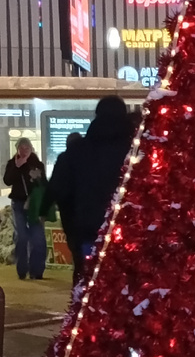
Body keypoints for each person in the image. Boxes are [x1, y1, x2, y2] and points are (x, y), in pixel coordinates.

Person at [49, 96, 134, 271]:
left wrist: (72, 228)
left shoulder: (76, 152)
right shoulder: (138, 150)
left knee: (87, 279)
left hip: (87, 229)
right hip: (130, 232)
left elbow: (59, 190)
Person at [3, 137, 47, 279]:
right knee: (21, 236)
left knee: (37, 237)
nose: (24, 150)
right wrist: (17, 166)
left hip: (34, 204)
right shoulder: (12, 163)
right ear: (17, 149)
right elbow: (7, 180)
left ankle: (37, 271)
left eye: (26, 147)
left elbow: (44, 184)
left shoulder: (37, 164)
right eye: (21, 148)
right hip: (18, 203)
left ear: (31, 148)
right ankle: (22, 270)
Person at [43, 131, 84, 284]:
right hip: (86, 213)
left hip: (69, 214)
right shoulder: (90, 159)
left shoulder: (64, 159)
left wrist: (44, 209)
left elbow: (53, 187)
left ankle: (79, 283)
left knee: (76, 251)